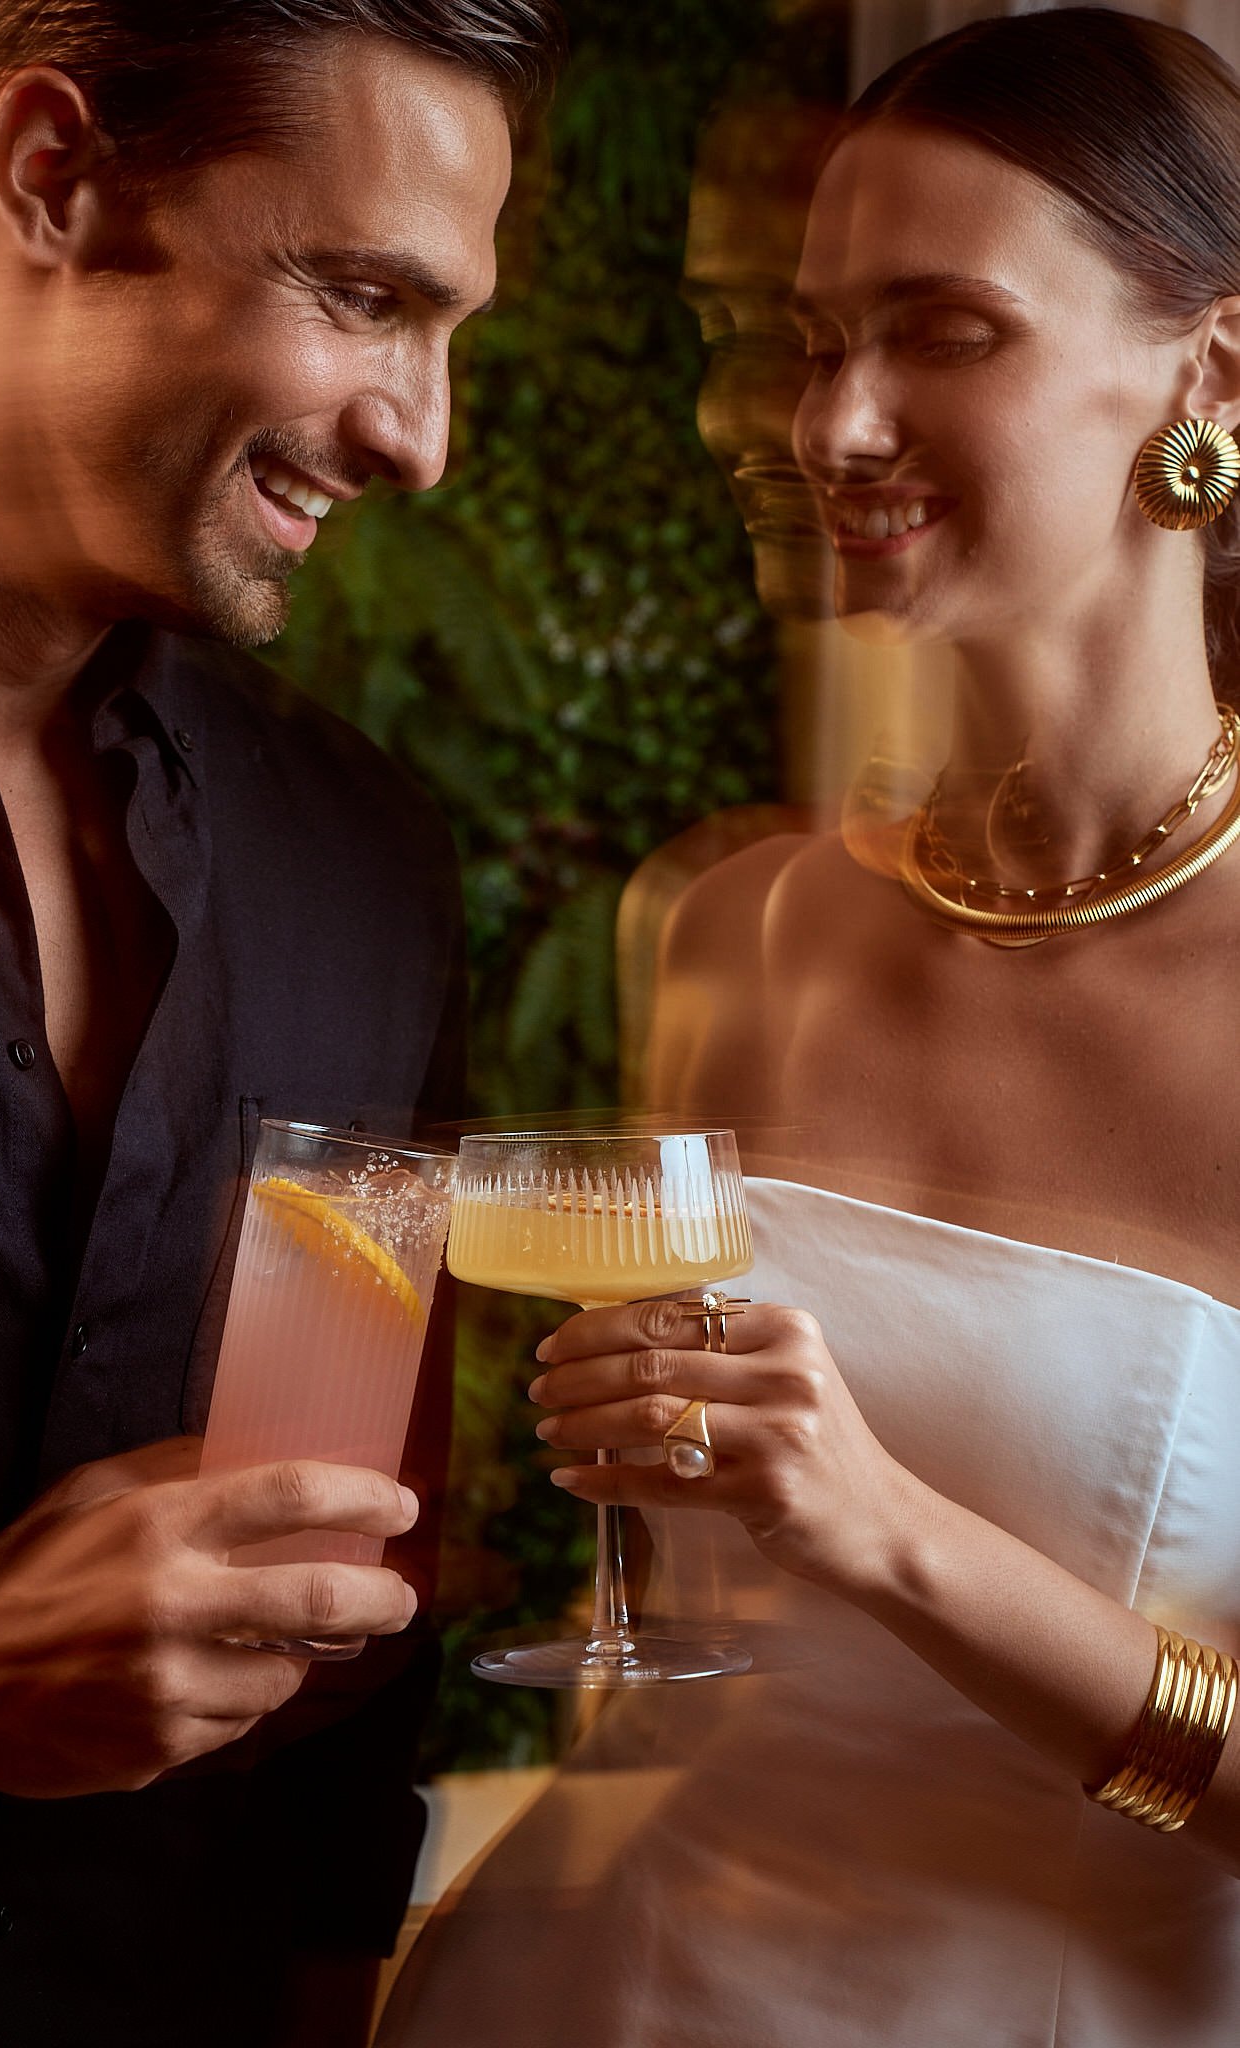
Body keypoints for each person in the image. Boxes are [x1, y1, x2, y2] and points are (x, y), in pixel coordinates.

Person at [377, 11, 1240, 2045]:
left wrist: (882, 1531)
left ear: (1204, 370)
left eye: (941, 332)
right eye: (808, 335)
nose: (828, 422)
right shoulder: (733, 925)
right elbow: (680, 1631)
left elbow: (838, 1520)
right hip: (599, 1974)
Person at [0, 2, 564, 2043]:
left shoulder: (362, 858)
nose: (417, 435)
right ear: (53, 180)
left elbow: (348, 1601)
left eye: (447, 334)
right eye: (361, 298)